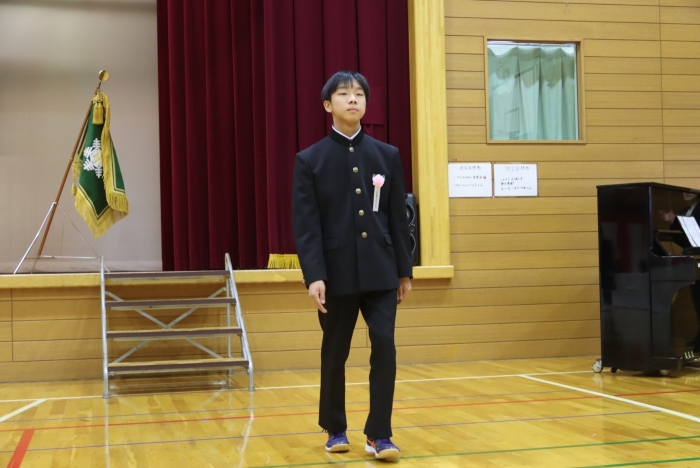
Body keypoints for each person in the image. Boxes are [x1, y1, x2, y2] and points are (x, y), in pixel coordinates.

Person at [292, 70, 413, 460]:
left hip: (381, 271)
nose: (353, 99)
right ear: (328, 105)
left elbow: (398, 220)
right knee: (335, 353)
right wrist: (314, 276)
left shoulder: (386, 155)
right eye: (344, 94)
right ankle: (335, 428)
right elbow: (306, 226)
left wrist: (404, 270)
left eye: (359, 94)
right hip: (335, 274)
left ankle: (379, 435)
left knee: (385, 348)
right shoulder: (310, 159)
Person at [660, 191, 700, 351]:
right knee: (697, 298)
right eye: (684, 190)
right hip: (692, 262)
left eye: (691, 190)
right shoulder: (684, 211)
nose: (686, 193)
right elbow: (682, 240)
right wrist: (672, 222)